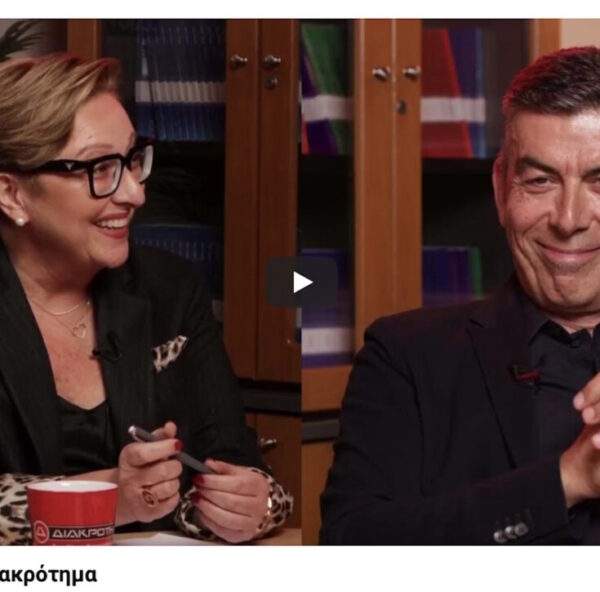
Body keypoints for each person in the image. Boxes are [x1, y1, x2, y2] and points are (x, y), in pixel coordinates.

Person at [0, 53, 292, 545]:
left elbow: (237, 461)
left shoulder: (170, 287)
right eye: (100, 168)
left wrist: (251, 504)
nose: (134, 193)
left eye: (133, 160)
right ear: (12, 195)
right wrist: (108, 498)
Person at [320, 46, 600, 545]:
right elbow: (351, 543)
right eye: (539, 181)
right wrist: (566, 480)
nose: (569, 219)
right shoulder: (404, 355)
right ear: (500, 190)